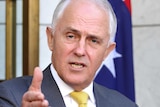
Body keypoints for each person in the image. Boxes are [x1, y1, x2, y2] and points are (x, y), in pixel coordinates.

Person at [0, 0, 138, 107]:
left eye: (93, 41)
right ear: (51, 39)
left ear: (107, 52)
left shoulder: (125, 105)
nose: (80, 51)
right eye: (71, 36)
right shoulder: (10, 97)